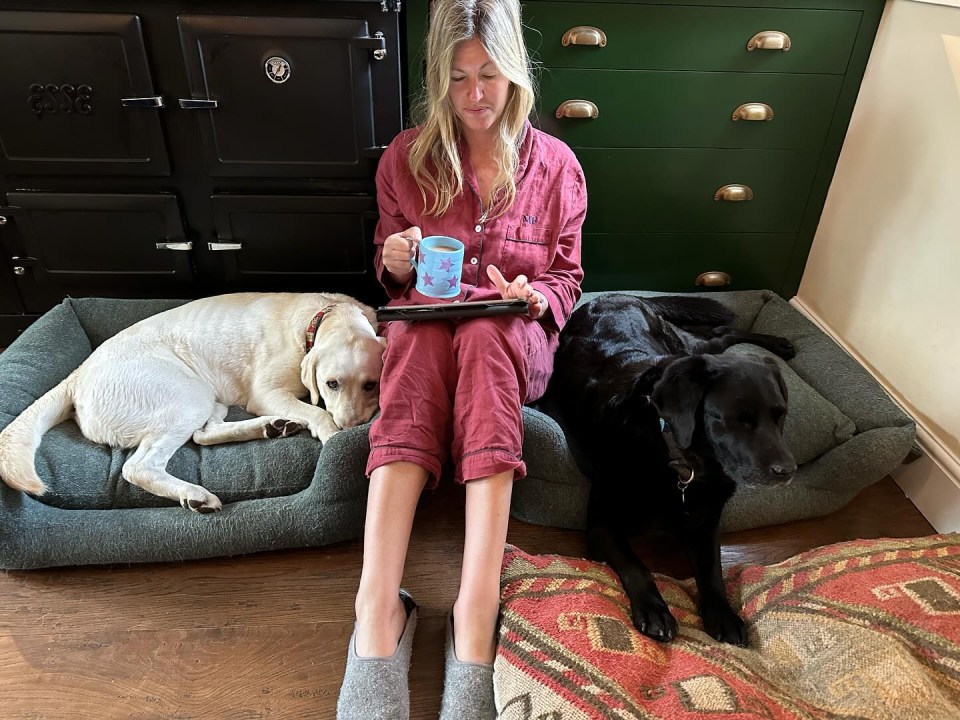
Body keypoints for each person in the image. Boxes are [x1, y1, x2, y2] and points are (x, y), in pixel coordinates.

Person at [336, 0, 586, 717]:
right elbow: (392, 275)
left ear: (516, 76)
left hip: (511, 343)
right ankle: (378, 610)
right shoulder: (406, 158)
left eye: (490, 75)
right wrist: (391, 261)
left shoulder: (559, 167)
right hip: (425, 333)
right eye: (457, 78)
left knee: (485, 332)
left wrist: (535, 296)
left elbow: (568, 277)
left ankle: (476, 614)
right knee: (413, 336)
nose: (475, 95)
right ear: (436, 80)